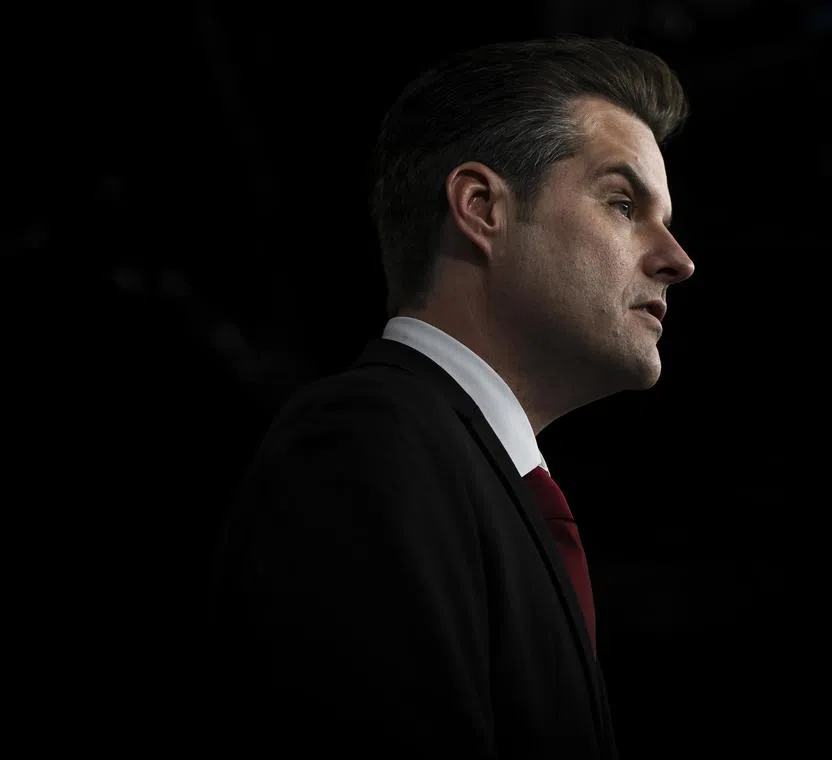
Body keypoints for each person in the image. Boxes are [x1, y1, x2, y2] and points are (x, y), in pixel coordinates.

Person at [206, 35, 695, 758]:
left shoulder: (463, 470)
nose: (678, 260)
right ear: (480, 207)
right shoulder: (367, 441)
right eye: (624, 203)